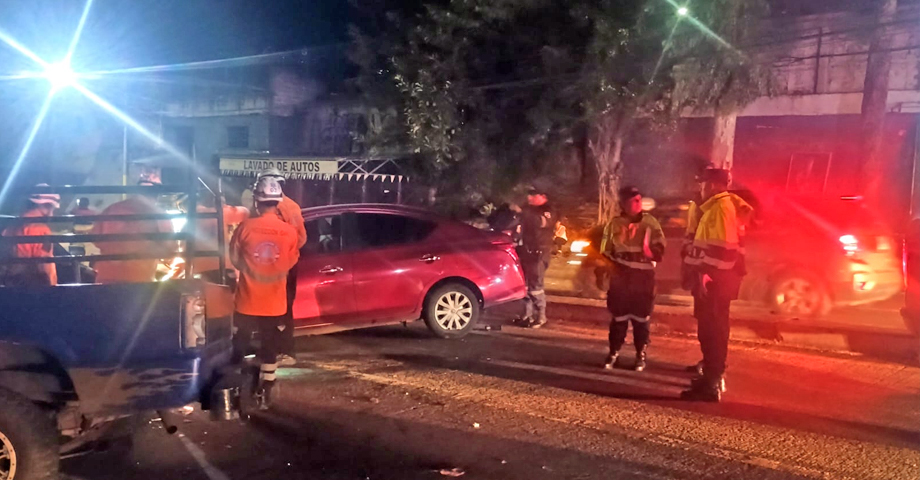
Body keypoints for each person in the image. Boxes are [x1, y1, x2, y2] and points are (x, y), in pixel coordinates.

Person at [680, 168, 753, 402]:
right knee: (711, 329)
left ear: (712, 185)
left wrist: (704, 274)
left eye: (703, 183)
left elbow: (723, 251)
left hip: (716, 279)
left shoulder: (720, 209)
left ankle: (711, 382)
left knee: (713, 330)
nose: (700, 187)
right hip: (718, 279)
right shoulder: (715, 207)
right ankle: (710, 376)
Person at [230, 176, 300, 410]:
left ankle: (236, 387)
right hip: (274, 303)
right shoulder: (290, 233)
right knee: (269, 345)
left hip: (247, 301)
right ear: (277, 202)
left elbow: (235, 260)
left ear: (257, 202)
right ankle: (266, 389)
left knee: (239, 343)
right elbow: (290, 262)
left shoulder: (245, 228)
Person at [601, 187, 666, 372]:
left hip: (643, 278)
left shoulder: (651, 223)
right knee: (619, 318)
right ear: (623, 204)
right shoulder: (614, 224)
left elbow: (661, 247)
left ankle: (640, 354)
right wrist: (609, 269)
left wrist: (652, 252)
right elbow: (605, 250)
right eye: (632, 201)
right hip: (621, 278)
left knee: (641, 319)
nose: (637, 204)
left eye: (639, 200)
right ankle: (614, 352)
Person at [256, 168, 307, 367]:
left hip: (280, 265)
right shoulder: (287, 205)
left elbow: (295, 238)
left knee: (279, 308)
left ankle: (284, 351)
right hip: (281, 264)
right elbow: (299, 238)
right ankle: (277, 350)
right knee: (279, 308)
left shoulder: (282, 207)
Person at [91, 173, 174, 284]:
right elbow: (168, 251)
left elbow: (96, 240)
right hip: (139, 282)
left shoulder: (112, 209)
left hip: (106, 280)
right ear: (158, 194)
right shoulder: (160, 216)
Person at [1, 185, 60, 286]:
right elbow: (45, 266)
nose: (52, 214)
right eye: (52, 208)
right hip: (31, 288)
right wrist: (53, 289)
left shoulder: (11, 226)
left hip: (8, 286)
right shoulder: (41, 230)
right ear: (47, 205)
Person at [516, 186, 556, 329]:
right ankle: (527, 315)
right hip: (526, 252)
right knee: (525, 286)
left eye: (533, 194)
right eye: (528, 194)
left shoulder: (548, 211)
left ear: (543, 196)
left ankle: (541, 316)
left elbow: (539, 222)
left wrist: (523, 213)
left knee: (536, 286)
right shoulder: (528, 210)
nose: (529, 197)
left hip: (539, 253)